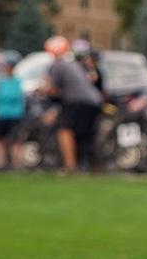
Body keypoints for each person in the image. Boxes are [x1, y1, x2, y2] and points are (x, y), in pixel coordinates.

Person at [44, 35, 103, 173]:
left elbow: (52, 89)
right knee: (86, 135)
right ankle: (94, 167)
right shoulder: (73, 64)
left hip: (78, 101)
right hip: (93, 101)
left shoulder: (58, 64)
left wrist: (42, 91)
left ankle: (70, 166)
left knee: (65, 129)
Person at [0, 54, 25, 170]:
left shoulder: (4, 82)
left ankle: (3, 163)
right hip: (13, 115)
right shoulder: (16, 82)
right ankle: (13, 163)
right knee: (12, 141)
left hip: (5, 115)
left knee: (2, 140)